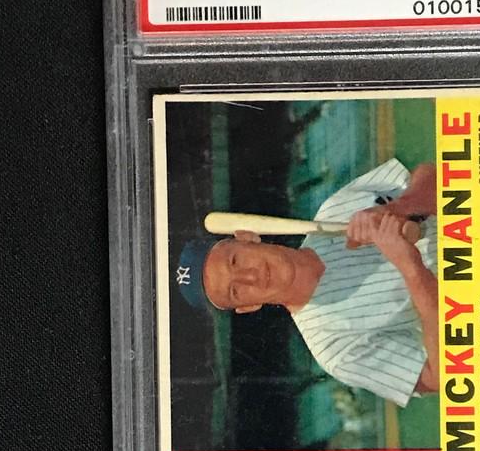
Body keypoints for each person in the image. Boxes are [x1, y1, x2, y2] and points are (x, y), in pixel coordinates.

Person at [176, 159, 438, 406]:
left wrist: (400, 208)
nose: (251, 276)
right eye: (236, 291)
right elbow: (441, 377)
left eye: (236, 261)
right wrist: (411, 269)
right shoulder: (334, 348)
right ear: (248, 307)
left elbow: (434, 174)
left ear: (248, 237)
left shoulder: (334, 211)